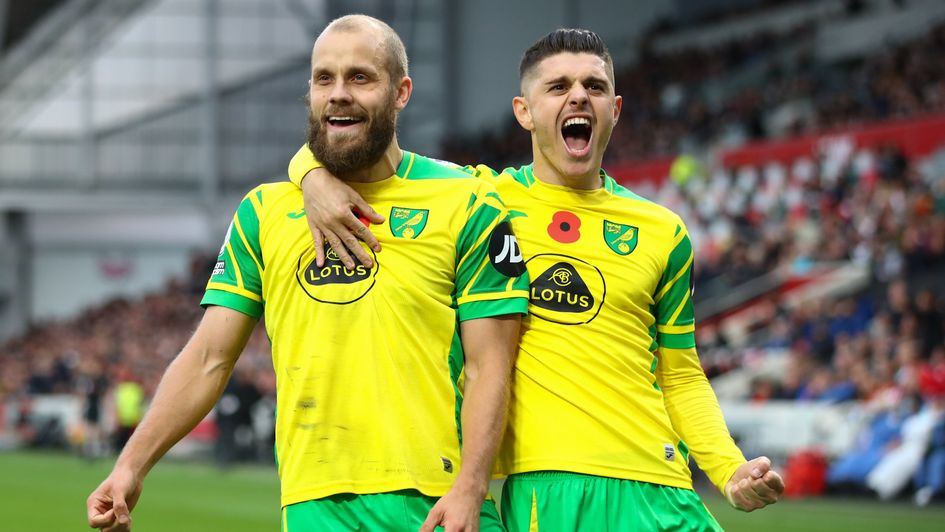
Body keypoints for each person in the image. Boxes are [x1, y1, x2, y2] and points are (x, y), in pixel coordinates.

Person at [288, 28, 784, 530]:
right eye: (558, 86)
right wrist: (311, 172)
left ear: (614, 108)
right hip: (548, 492)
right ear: (524, 111)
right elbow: (366, 151)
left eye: (593, 87)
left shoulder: (664, 231)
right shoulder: (478, 198)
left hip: (664, 489)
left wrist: (728, 468)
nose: (577, 97)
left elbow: (679, 373)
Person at [86, 15, 528, 532]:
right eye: (324, 78)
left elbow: (489, 364)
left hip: (432, 502)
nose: (338, 93)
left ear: (401, 92)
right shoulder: (264, 212)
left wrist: (471, 487)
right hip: (311, 504)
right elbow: (208, 358)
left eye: (360, 77)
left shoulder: (466, 201)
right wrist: (130, 466)